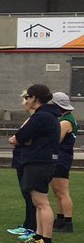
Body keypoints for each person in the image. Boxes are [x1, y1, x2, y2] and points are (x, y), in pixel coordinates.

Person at [8, 85, 59, 243]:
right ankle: (39, 235)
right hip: (41, 160)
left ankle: (47, 240)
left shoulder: (41, 116)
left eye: (28, 97)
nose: (26, 101)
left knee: (42, 202)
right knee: (37, 202)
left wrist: (22, 139)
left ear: (35, 98)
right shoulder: (48, 115)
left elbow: (20, 136)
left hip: (39, 162)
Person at [51, 91, 75, 234]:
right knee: (58, 191)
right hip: (61, 157)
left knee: (62, 191)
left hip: (62, 158)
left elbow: (55, 140)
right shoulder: (66, 119)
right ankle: (60, 219)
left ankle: (67, 221)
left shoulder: (65, 122)